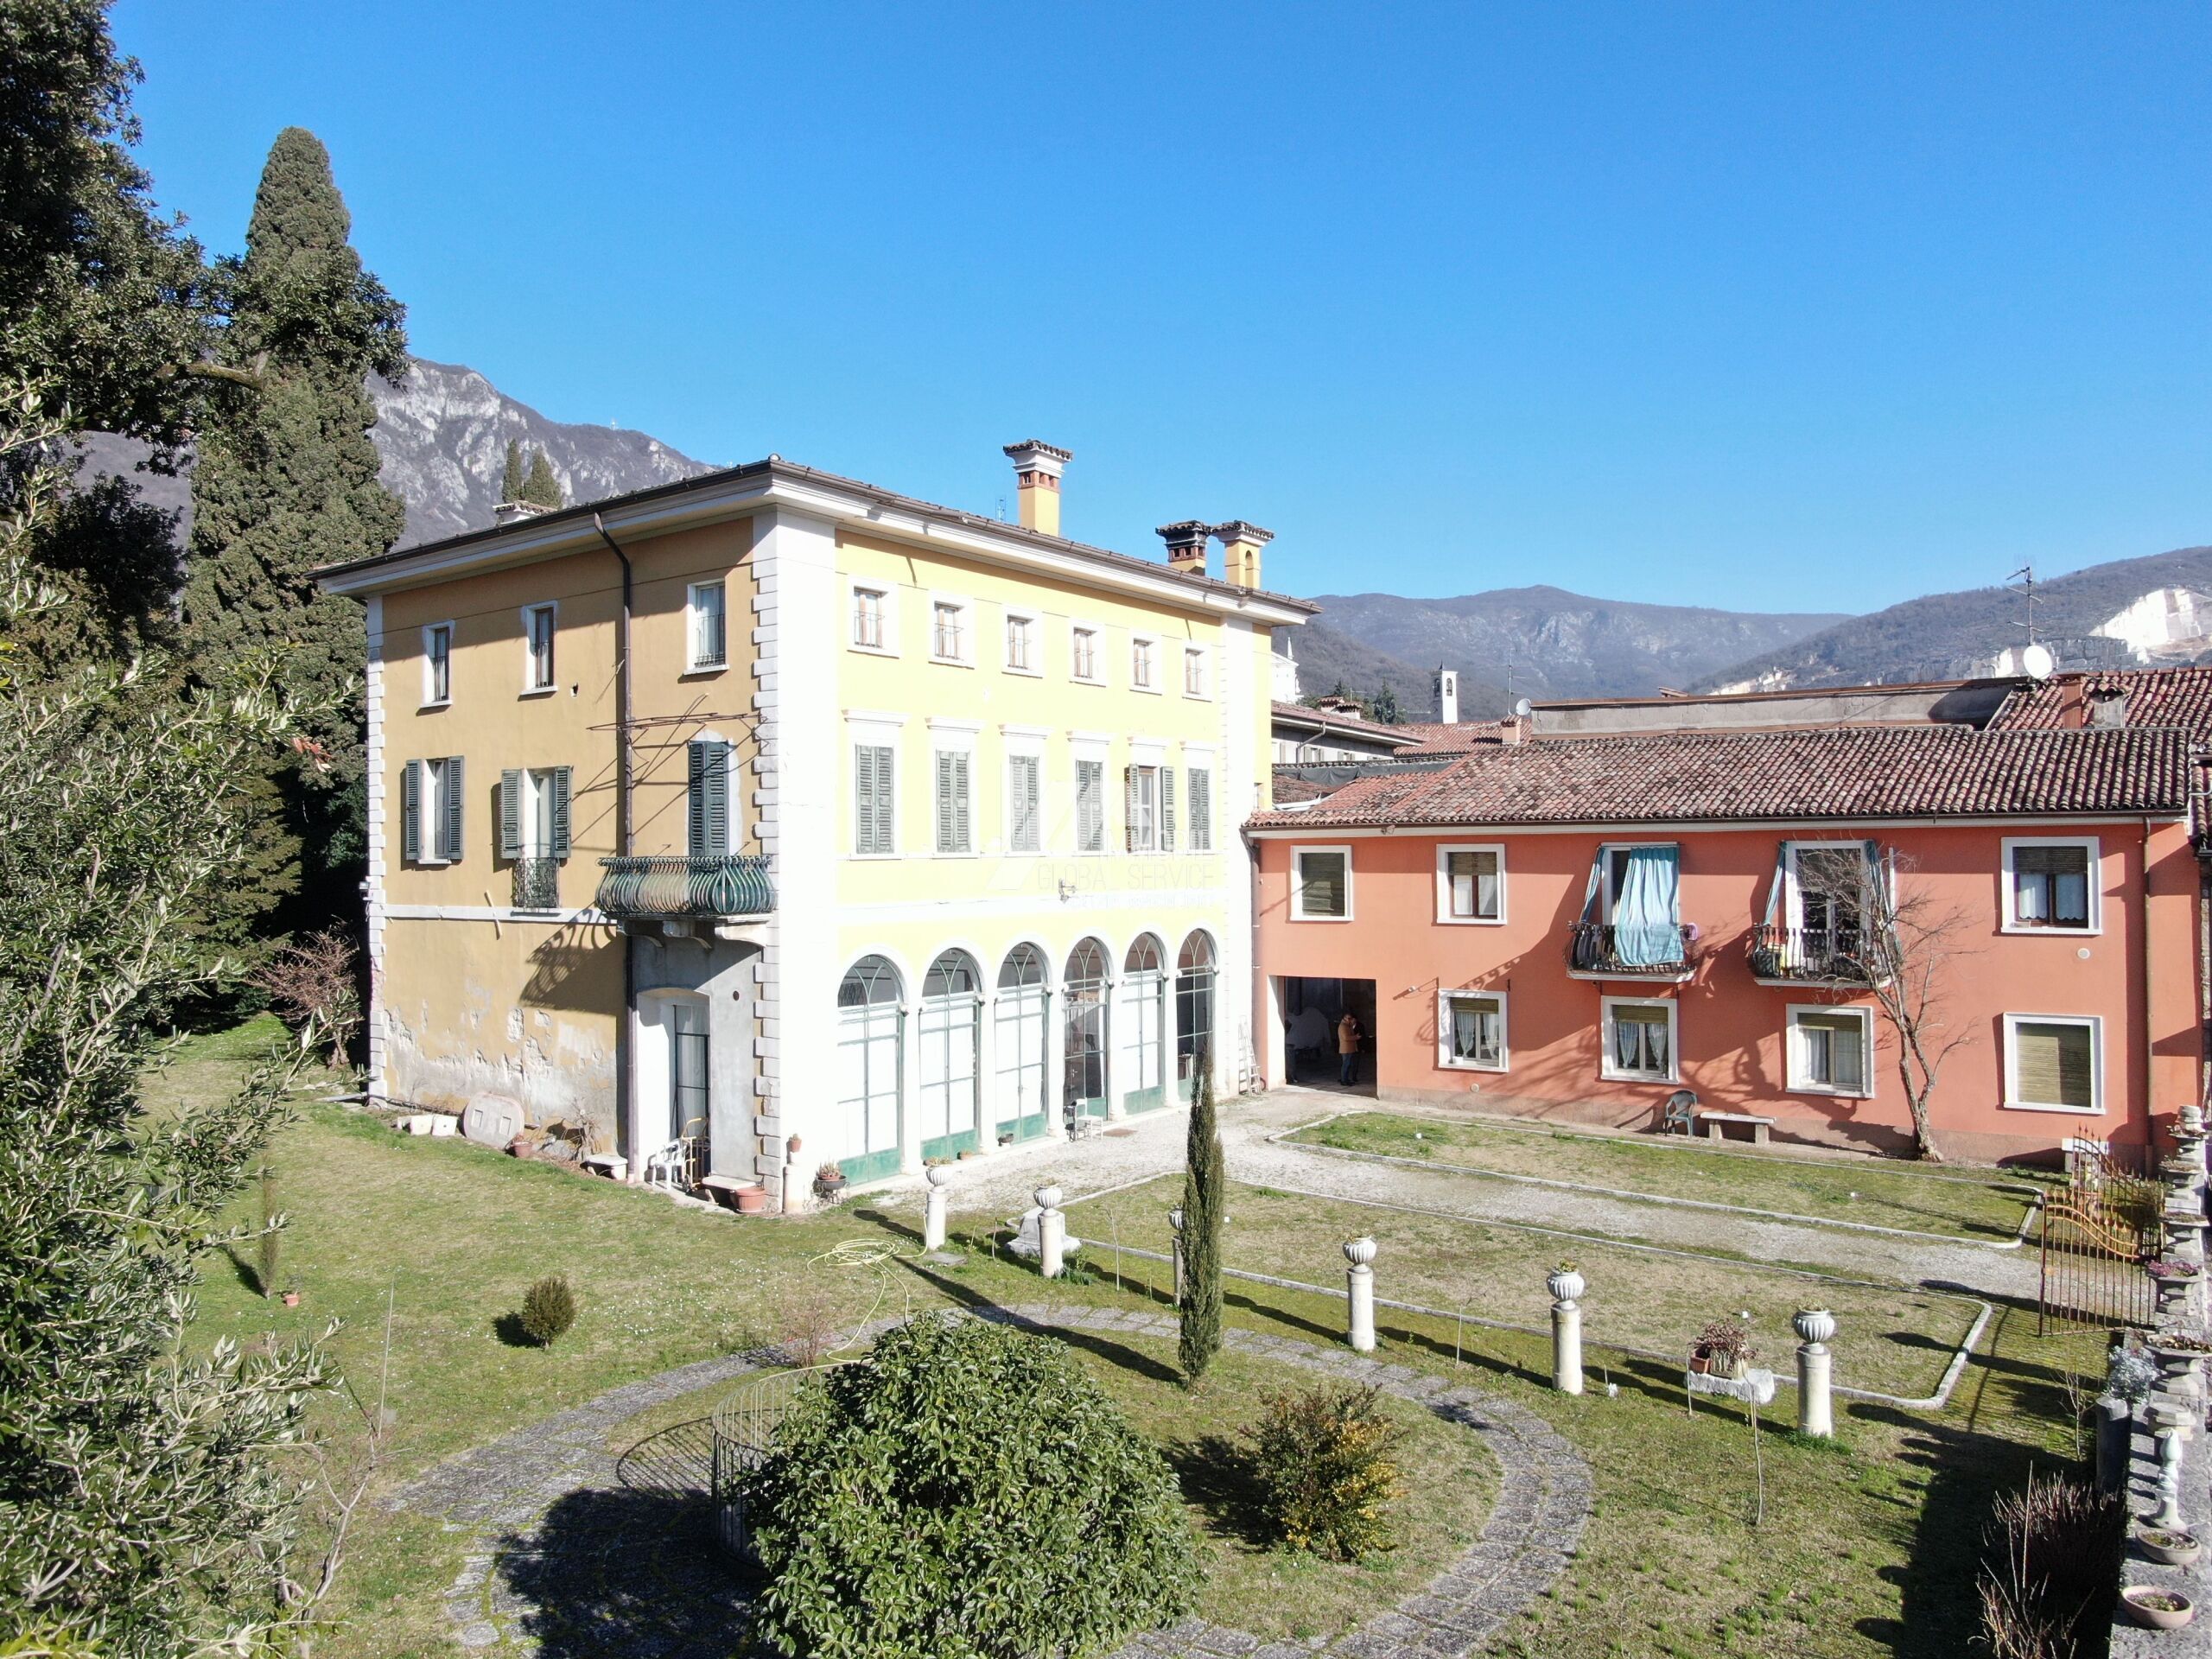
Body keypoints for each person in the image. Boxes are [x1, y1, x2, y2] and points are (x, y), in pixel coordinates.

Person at [1337, 1011, 1363, 1086]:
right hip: (1346, 1049)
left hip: (1349, 1049)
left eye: (1351, 1019)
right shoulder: (1343, 1026)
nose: (1350, 1020)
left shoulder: (1348, 1025)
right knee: (1346, 1065)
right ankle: (1344, 1080)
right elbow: (1345, 1037)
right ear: (1344, 1018)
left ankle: (1346, 1079)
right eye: (1349, 1018)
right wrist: (1355, 1037)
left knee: (1348, 1065)